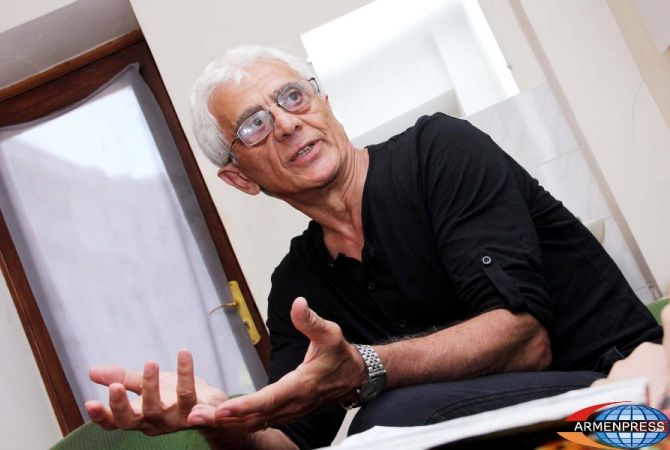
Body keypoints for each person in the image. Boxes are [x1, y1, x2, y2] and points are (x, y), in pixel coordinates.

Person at [84, 46, 663, 449]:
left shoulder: (439, 152)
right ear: (240, 178)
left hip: (630, 412)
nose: (285, 123)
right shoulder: (296, 286)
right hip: (516, 436)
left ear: (325, 104)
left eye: (292, 97)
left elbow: (525, 341)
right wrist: (219, 421)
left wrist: (368, 366)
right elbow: (292, 441)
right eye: (254, 125)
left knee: (386, 421)